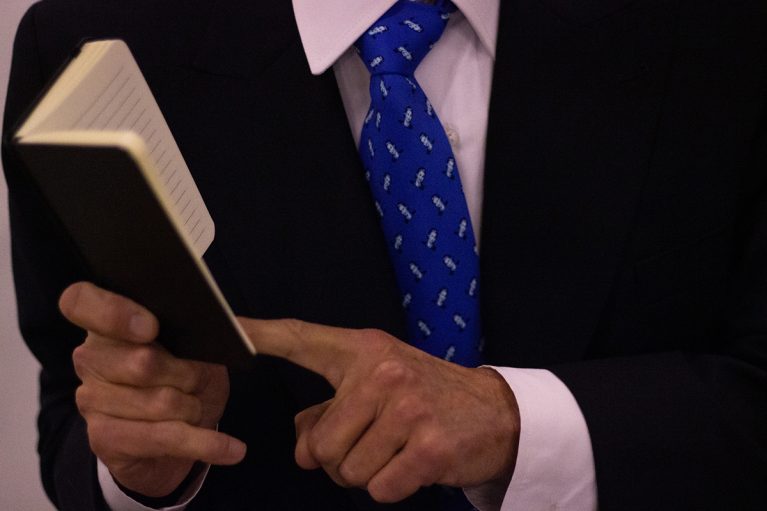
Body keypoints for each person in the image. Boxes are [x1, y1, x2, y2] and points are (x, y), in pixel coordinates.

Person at [2, 0, 766, 510]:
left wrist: (516, 423)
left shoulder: (724, 29)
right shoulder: (88, 41)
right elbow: (75, 414)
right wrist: (143, 469)